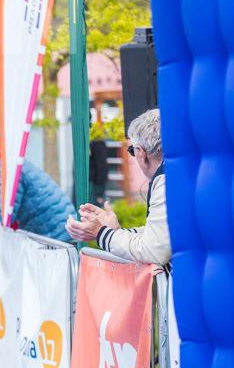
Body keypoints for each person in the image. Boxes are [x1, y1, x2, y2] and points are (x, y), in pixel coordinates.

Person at [66, 109, 171, 267]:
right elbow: (160, 235)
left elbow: (152, 250)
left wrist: (101, 232)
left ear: (141, 153)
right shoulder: (179, 172)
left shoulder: (165, 181)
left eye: (132, 151)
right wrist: (112, 231)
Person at [0, 134, 77, 241]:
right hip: (61, 228)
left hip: (59, 233)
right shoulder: (9, 167)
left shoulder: (7, 173)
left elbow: (3, 215)